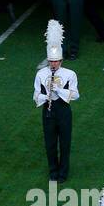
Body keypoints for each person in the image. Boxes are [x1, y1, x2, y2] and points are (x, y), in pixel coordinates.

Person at [35, 20, 78, 182]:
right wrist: (45, 97)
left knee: (65, 143)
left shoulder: (69, 74)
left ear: (61, 61)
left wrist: (58, 90)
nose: (53, 64)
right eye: (51, 61)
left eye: (56, 61)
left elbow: (75, 95)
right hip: (48, 109)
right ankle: (53, 171)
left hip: (63, 110)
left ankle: (63, 172)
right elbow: (35, 94)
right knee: (50, 143)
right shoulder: (41, 74)